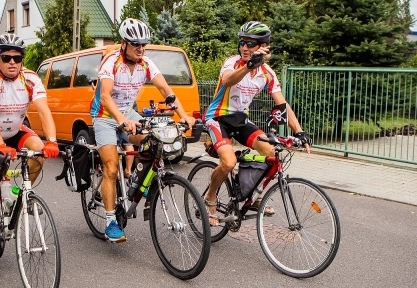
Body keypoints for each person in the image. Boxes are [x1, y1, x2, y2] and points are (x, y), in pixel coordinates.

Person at [90, 18, 196, 243]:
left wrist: (184, 115)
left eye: (144, 44)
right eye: (136, 44)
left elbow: (166, 90)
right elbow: (106, 96)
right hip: (105, 117)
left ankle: (136, 181)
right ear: (124, 43)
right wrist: (121, 119)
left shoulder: (146, 63)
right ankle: (110, 222)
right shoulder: (111, 62)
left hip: (128, 114)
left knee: (155, 139)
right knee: (110, 168)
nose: (140, 48)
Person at [202, 21, 311, 224]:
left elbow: (282, 104)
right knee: (228, 162)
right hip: (217, 118)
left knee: (270, 152)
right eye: (242, 42)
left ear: (263, 47)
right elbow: (227, 81)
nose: (244, 47)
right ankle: (210, 196)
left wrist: (299, 131)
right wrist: (248, 65)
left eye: (250, 44)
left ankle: (253, 195)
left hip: (240, 120)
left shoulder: (267, 73)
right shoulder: (233, 63)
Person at [0, 34, 59, 272]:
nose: (12, 62)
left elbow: (43, 111)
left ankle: (19, 190)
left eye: (17, 58)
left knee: (39, 152)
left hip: (15, 130)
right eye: (6, 57)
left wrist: (51, 141)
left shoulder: (30, 79)